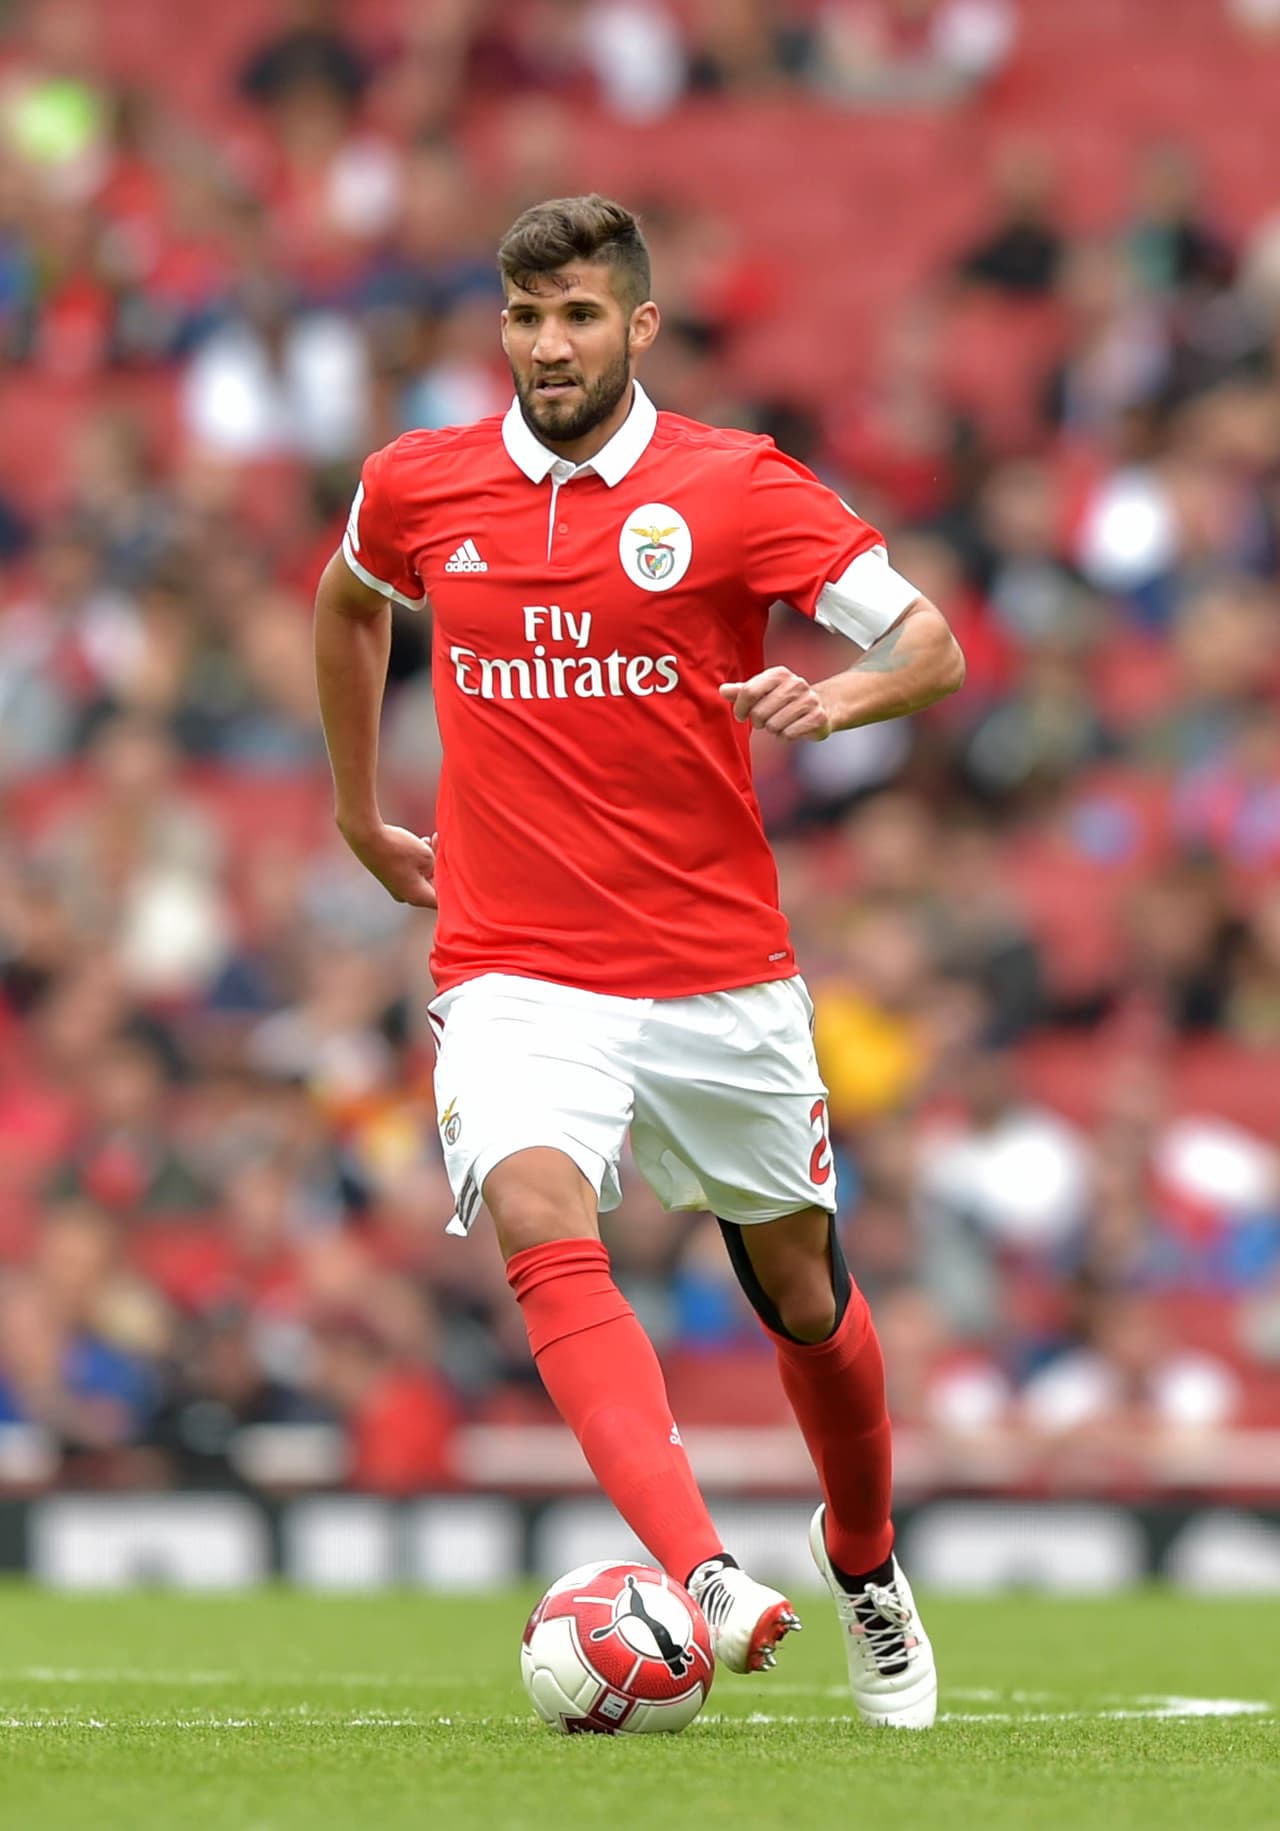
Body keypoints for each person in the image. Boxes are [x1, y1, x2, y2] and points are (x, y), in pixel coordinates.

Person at [313, 194, 965, 1728]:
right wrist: (357, 811)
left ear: (639, 328)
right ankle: (706, 1570)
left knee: (803, 1297)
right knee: (537, 1207)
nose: (549, 345)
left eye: (580, 317)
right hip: (513, 963)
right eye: (526, 318)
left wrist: (839, 702)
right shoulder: (420, 482)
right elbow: (349, 603)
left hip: (717, 974)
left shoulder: (732, 488)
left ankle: (864, 1559)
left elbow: (927, 640)